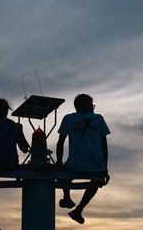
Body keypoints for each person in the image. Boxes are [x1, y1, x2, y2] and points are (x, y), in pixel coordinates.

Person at [56, 94, 110, 224]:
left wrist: (59, 161)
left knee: (64, 175)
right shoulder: (98, 118)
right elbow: (104, 145)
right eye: (91, 105)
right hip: (96, 166)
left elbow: (60, 142)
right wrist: (105, 168)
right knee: (96, 182)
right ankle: (79, 209)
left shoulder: (68, 118)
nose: (93, 107)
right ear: (84, 105)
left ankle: (67, 197)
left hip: (75, 164)